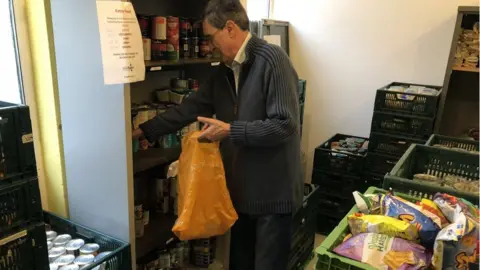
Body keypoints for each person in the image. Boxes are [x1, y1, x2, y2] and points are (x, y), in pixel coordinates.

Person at [133, 0, 302, 269]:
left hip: (273, 193)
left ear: (231, 28)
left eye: (212, 37)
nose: (210, 45)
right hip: (242, 190)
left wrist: (231, 130)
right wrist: (143, 130)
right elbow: (190, 108)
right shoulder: (224, 71)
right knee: (240, 262)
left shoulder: (273, 61)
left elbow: (285, 125)